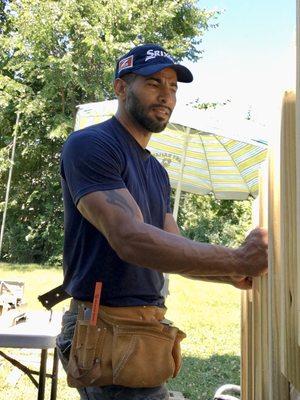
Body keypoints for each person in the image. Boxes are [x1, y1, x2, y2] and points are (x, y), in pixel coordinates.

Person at [56, 43, 268, 400]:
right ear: (121, 88)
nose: (166, 96)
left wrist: (231, 275)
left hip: (144, 327)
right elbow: (129, 239)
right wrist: (237, 258)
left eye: (173, 87)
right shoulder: (91, 145)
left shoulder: (156, 171)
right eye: (154, 83)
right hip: (103, 326)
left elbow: (174, 247)